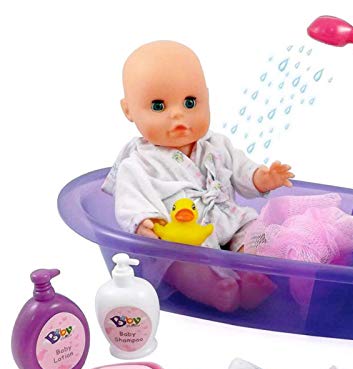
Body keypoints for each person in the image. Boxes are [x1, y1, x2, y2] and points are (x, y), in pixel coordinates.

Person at [102, 41, 294, 311]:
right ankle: (215, 290)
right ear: (128, 110)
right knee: (178, 266)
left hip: (229, 222)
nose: (178, 114)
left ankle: (252, 274)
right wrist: (144, 222)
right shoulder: (138, 164)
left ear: (207, 97)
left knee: (256, 234)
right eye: (158, 106)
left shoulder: (217, 145)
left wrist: (262, 178)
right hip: (183, 241)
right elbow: (130, 202)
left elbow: (243, 170)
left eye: (190, 102)